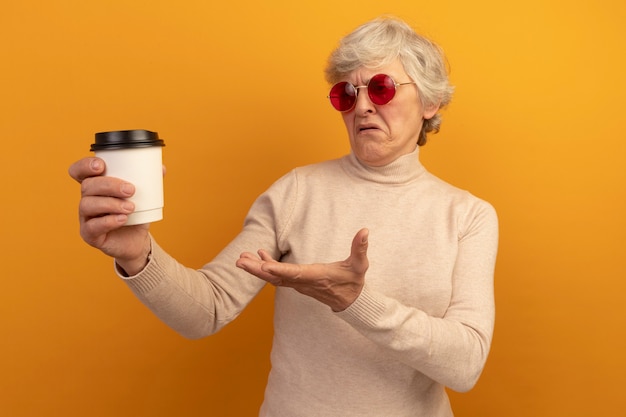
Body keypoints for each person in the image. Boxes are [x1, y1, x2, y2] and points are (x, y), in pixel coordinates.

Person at [69, 16, 498, 417]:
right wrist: (138, 254)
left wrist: (354, 300)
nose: (362, 106)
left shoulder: (468, 216)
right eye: (346, 94)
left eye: (381, 88)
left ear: (430, 101)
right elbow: (208, 310)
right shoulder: (297, 191)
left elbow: (465, 365)